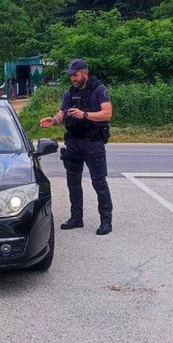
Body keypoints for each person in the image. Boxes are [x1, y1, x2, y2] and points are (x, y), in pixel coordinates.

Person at [40, 58, 114, 235]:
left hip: (93, 143)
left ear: (84, 73)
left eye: (76, 75)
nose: (73, 78)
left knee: (99, 183)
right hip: (73, 142)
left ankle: (106, 221)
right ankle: (76, 218)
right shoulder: (69, 93)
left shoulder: (99, 90)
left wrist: (85, 115)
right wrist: (54, 120)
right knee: (73, 182)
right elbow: (62, 114)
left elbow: (107, 114)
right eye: (71, 75)